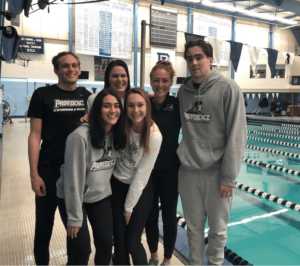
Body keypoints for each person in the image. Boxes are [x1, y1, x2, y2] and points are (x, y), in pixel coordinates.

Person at [177, 39, 247, 265]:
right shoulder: (183, 91)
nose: (194, 63)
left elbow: (237, 135)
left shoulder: (228, 88)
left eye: (199, 57)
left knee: (217, 231)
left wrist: (229, 177)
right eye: (189, 58)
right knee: (193, 229)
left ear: (210, 60)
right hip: (188, 172)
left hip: (217, 173)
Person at [27, 51, 92, 265]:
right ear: (56, 70)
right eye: (65, 66)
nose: (71, 69)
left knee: (76, 233)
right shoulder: (42, 95)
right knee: (43, 228)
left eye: (74, 65)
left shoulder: (86, 95)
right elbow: (35, 135)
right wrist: (34, 174)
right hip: (48, 169)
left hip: (75, 173)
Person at [56, 89, 126, 265]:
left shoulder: (118, 134)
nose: (113, 110)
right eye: (106, 106)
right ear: (96, 110)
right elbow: (73, 180)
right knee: (82, 250)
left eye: (117, 106)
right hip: (73, 197)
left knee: (104, 244)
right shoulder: (79, 137)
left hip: (99, 195)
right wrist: (74, 216)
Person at [111, 87, 162, 265]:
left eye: (140, 105)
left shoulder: (154, 136)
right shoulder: (121, 124)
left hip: (139, 191)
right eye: (131, 105)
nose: (135, 110)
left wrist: (128, 207)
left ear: (147, 106)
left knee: (132, 243)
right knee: (119, 242)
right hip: (116, 185)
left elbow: (141, 176)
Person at [145, 61, 181, 266]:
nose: (160, 84)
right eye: (156, 80)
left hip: (170, 170)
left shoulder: (177, 104)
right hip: (146, 171)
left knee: (169, 217)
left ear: (171, 82)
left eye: (165, 80)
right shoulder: (143, 103)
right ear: (151, 81)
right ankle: (154, 255)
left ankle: (167, 259)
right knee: (149, 216)